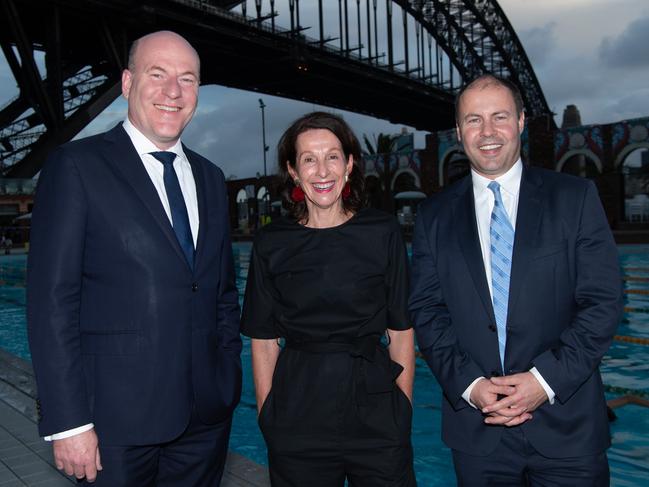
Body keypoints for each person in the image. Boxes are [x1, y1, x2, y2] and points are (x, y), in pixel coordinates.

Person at [27, 31, 242, 486]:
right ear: (127, 83)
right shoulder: (75, 167)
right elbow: (51, 303)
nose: (173, 92)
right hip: (113, 426)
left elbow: (221, 291)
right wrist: (69, 422)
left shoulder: (211, 178)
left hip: (205, 419)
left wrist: (226, 374)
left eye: (187, 79)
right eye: (157, 74)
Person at [409, 74, 622, 486]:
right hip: (478, 434)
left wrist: (544, 382)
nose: (487, 132)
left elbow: (603, 302)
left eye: (499, 117)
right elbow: (427, 310)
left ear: (521, 121)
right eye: (473, 120)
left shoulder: (574, 198)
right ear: (458, 131)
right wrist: (470, 386)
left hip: (568, 430)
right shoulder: (433, 216)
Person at [241, 111, 417, 486]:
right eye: (309, 159)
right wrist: (267, 416)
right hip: (296, 413)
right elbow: (264, 340)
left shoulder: (381, 231)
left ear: (350, 164)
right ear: (293, 170)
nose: (322, 171)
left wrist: (401, 411)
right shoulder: (272, 243)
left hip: (376, 412)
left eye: (332, 156)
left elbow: (401, 329)